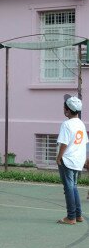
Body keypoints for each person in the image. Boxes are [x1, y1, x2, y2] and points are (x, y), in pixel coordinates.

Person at [56, 95, 86, 225]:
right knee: (73, 187)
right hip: (78, 160)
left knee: (68, 187)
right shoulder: (81, 124)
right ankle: (78, 215)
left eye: (64, 107)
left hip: (67, 160)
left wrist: (59, 157)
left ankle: (71, 217)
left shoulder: (66, 124)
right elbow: (85, 143)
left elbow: (64, 143)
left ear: (67, 110)